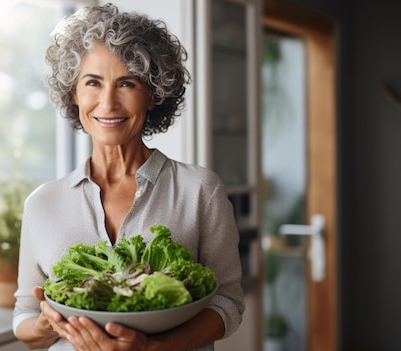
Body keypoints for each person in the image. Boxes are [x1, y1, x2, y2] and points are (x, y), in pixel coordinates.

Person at [12, 4, 244, 351]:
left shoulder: (200, 191)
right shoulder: (42, 203)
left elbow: (227, 303)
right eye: (93, 82)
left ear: (152, 95)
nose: (108, 103)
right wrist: (47, 324)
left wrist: (157, 348)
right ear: (74, 94)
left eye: (126, 83)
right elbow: (24, 317)